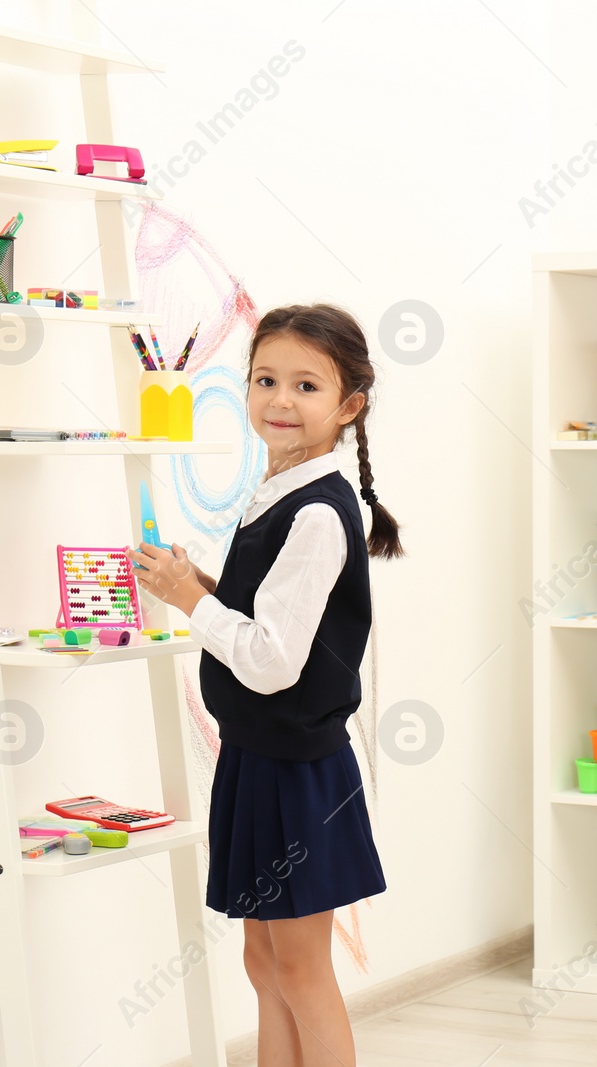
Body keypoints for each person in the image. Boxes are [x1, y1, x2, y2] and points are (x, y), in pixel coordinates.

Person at [133, 303, 402, 1066]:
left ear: (348, 406)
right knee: (263, 960)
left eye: (306, 386)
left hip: (299, 770)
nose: (280, 400)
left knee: (300, 966)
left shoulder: (317, 513)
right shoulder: (276, 495)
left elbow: (274, 660)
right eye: (266, 379)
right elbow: (268, 621)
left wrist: (192, 601)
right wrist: (201, 585)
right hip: (258, 757)